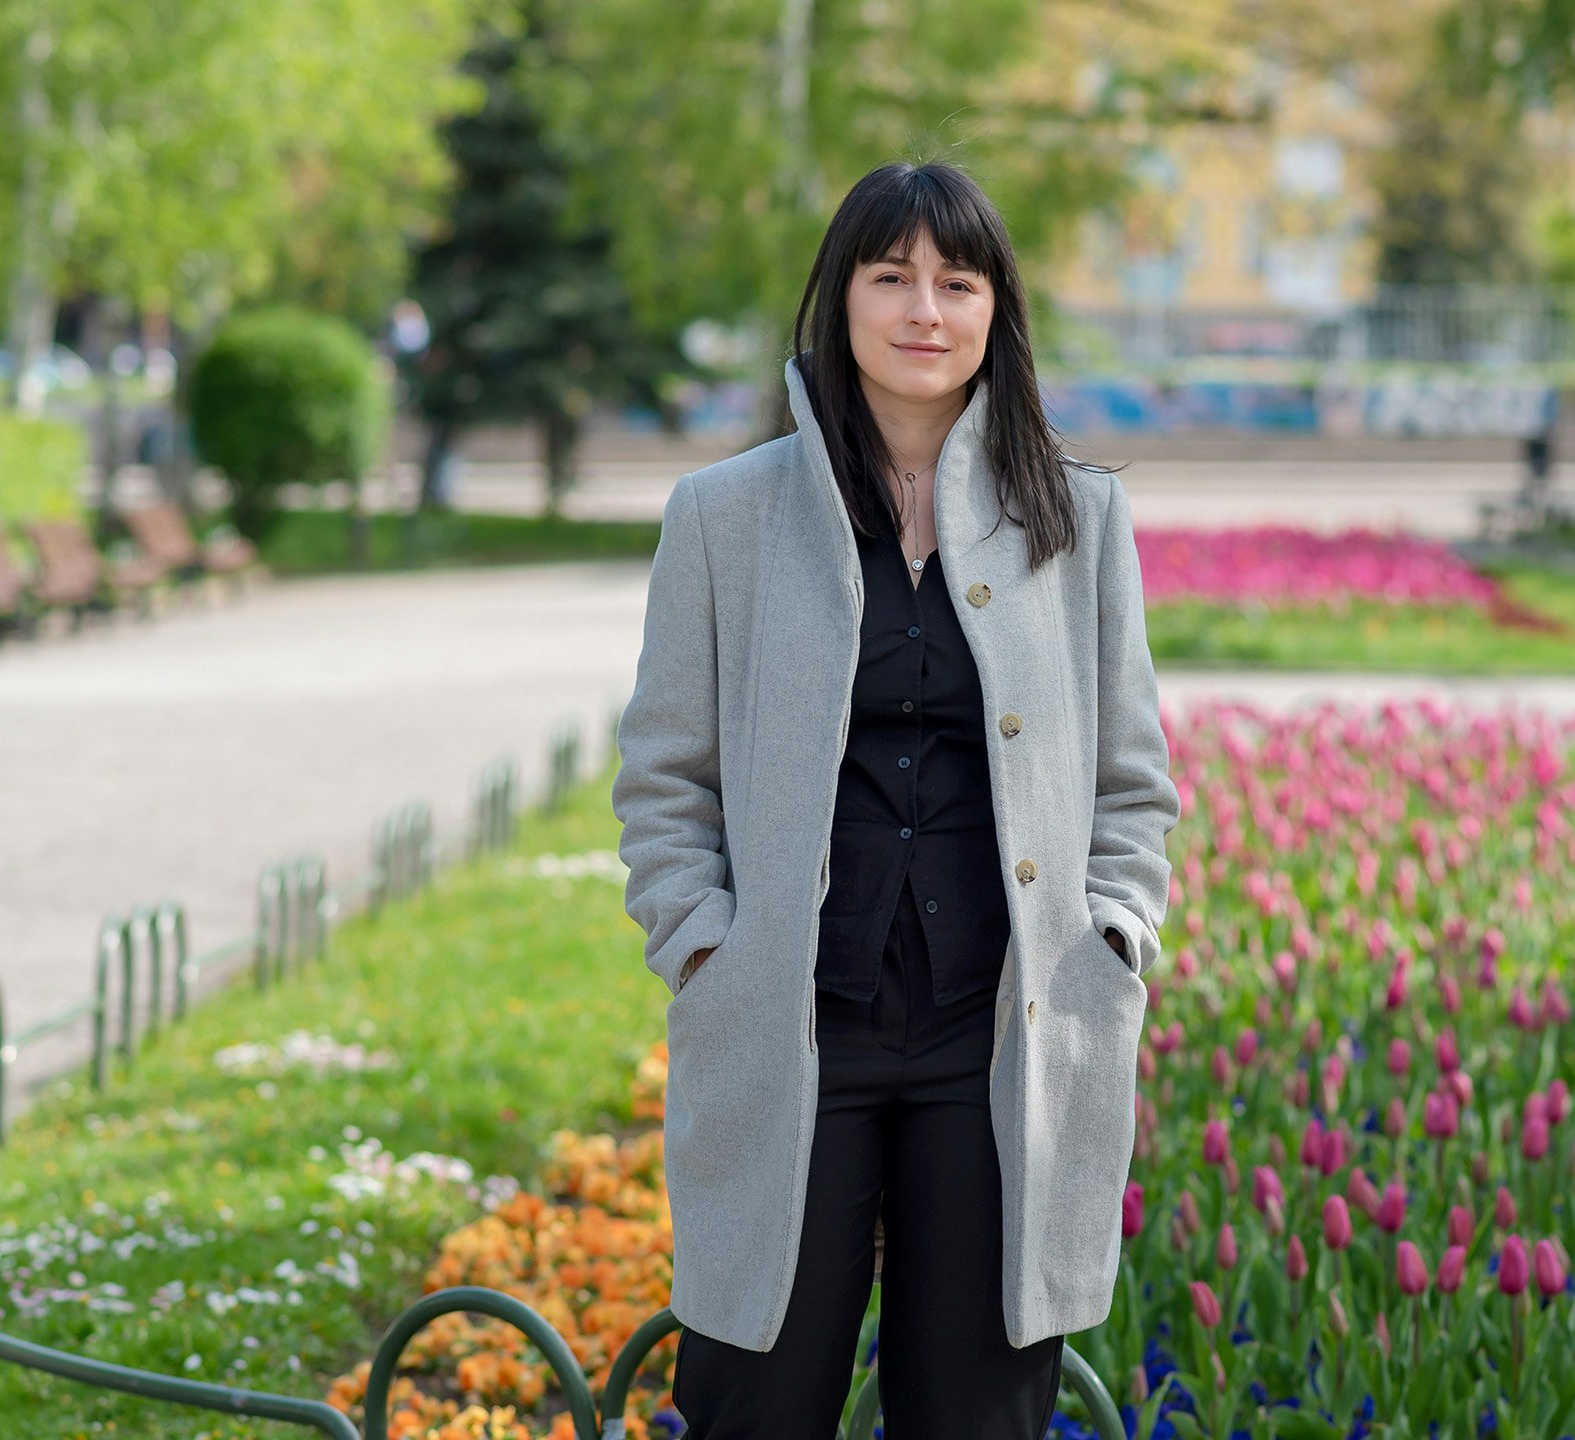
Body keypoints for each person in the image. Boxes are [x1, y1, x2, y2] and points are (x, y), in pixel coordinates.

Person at [611, 159, 1179, 1440]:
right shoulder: (724, 518)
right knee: (756, 1403)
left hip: (1001, 1037)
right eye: (891, 277)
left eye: (956, 280)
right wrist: (698, 937)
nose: (924, 309)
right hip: (789, 1025)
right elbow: (663, 776)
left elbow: (1131, 780)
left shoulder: (1078, 519)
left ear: (995, 310)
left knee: (976, 1416)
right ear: (842, 300)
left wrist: (1117, 924)